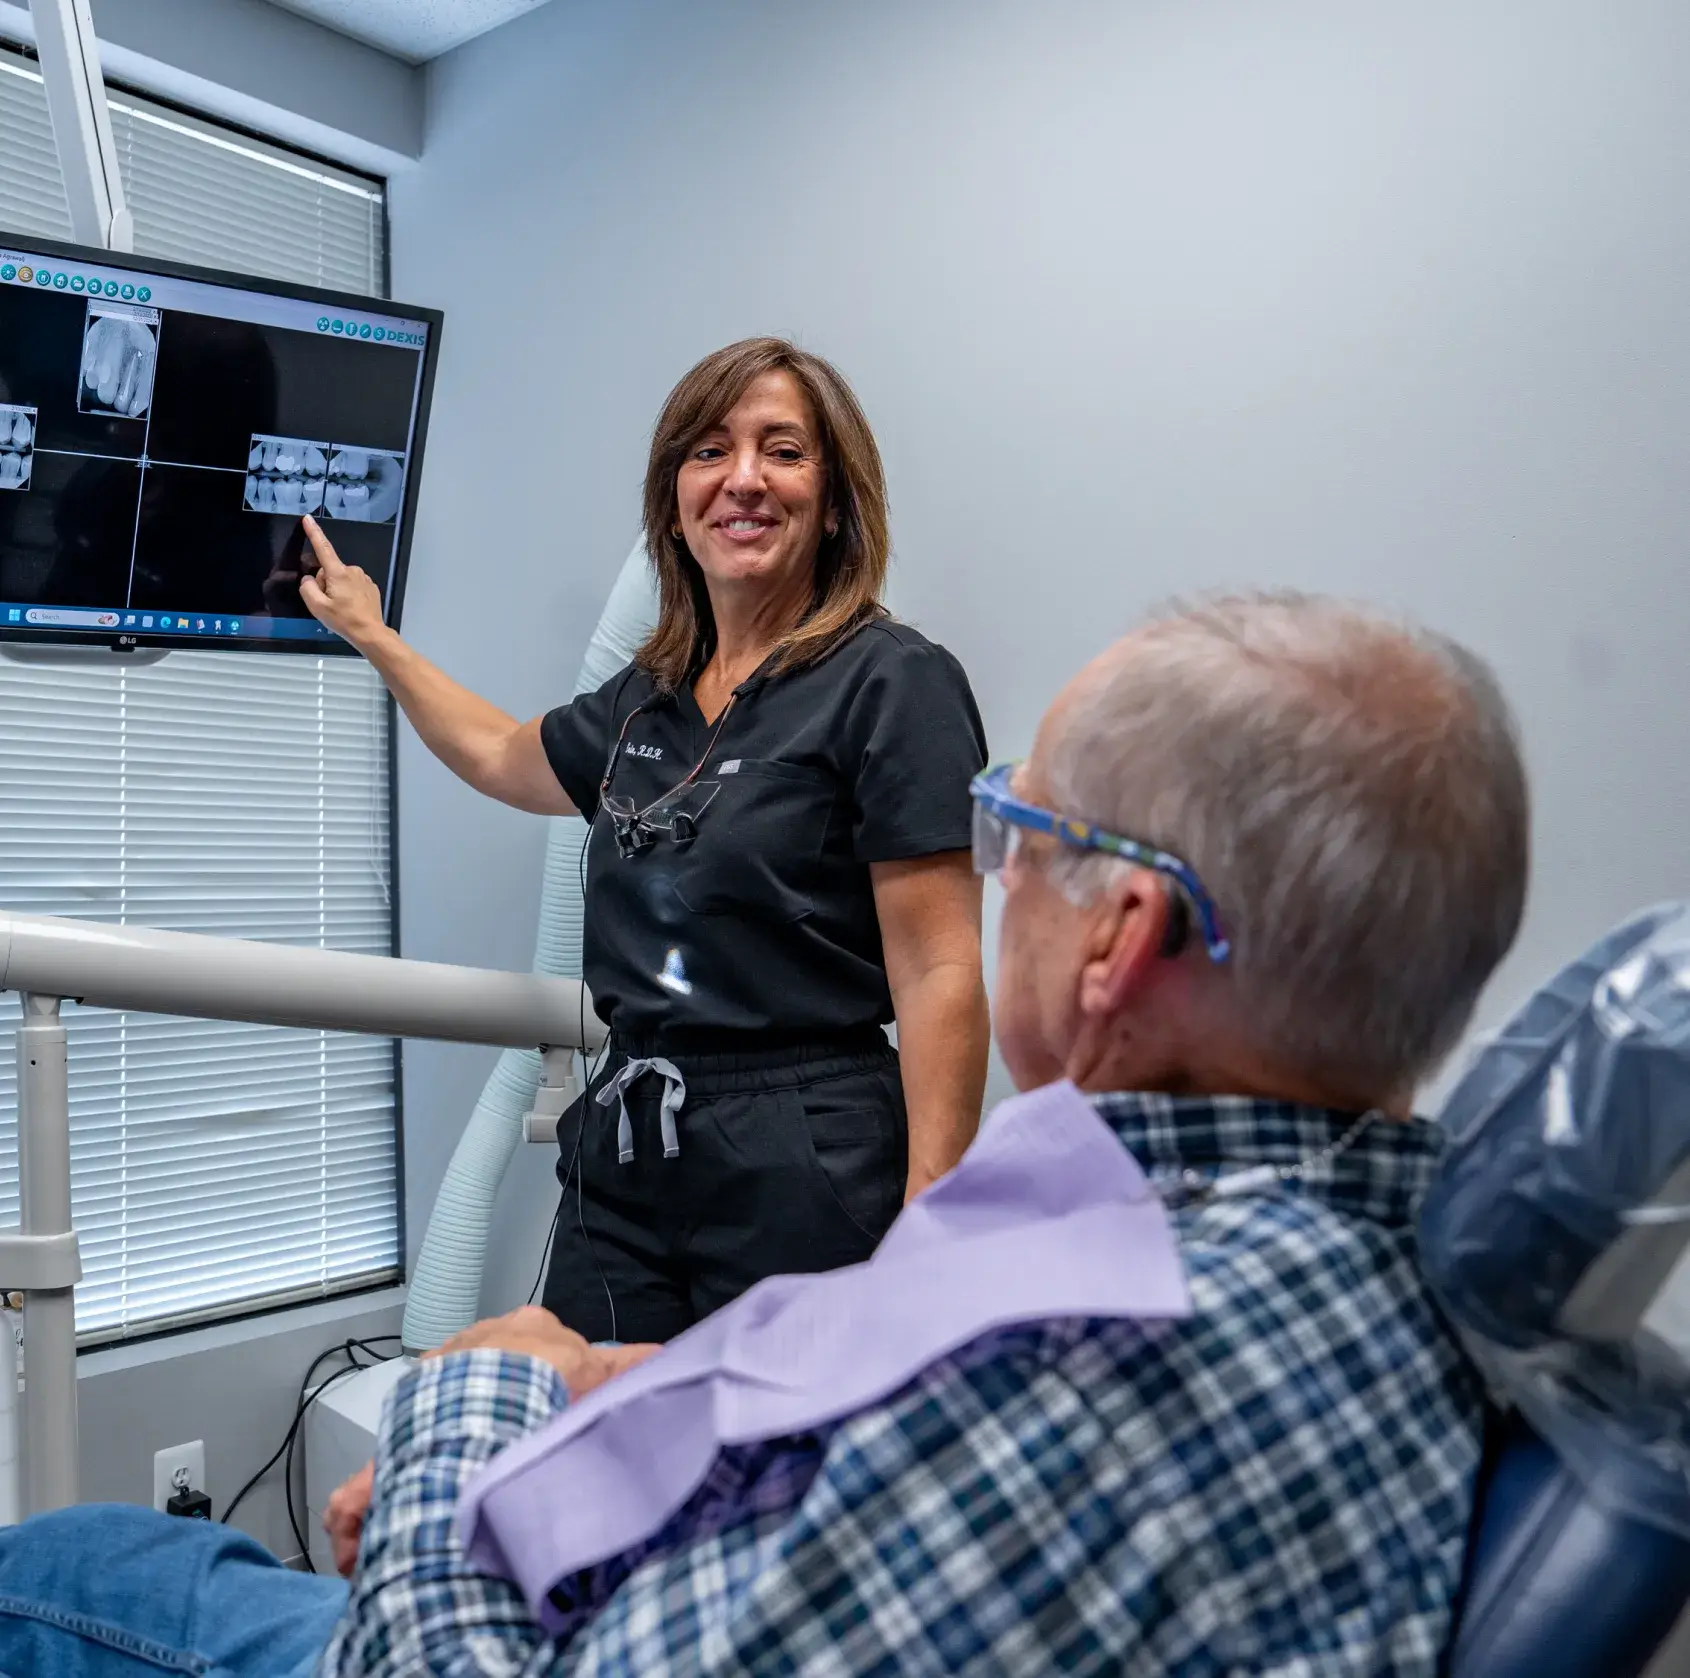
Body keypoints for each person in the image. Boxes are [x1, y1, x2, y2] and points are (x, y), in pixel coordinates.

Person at [0, 590, 1529, 1675]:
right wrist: (613, 1390)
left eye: (1018, 835)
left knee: (72, 1567)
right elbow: (502, 750)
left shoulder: (1075, 1358)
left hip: (771, 1185)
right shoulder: (1412, 1257)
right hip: (650, 1193)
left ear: (1116, 939)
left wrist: (472, 1428)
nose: (993, 878)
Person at [298, 337, 991, 1343]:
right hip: (629, 1144)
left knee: (772, 1462)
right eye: (708, 452)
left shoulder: (892, 682)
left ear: (835, 500)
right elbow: (501, 751)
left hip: (807, 1144)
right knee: (598, 1448)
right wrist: (374, 634)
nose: (742, 478)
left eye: (783, 450)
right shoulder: (647, 700)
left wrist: (935, 1217)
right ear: (674, 499)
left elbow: (938, 971)